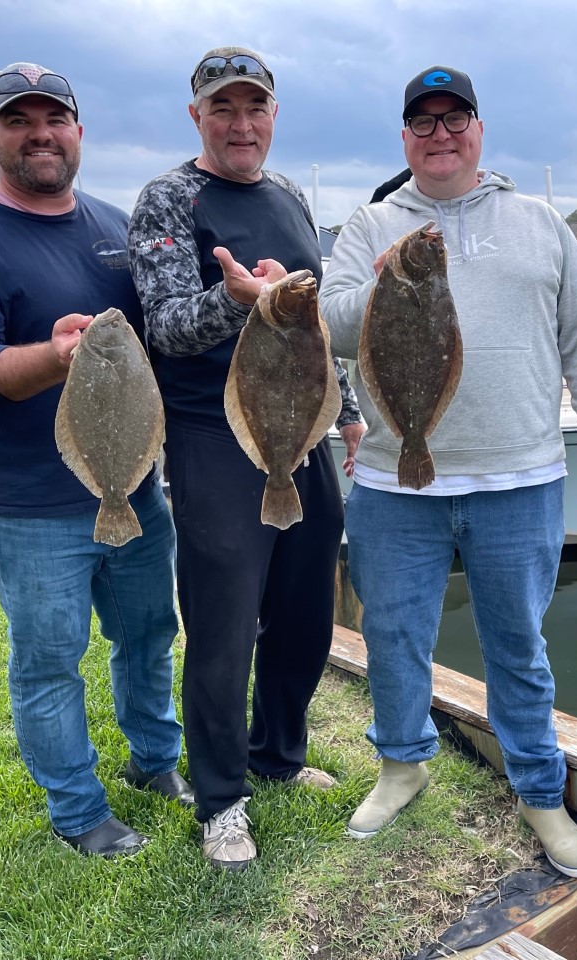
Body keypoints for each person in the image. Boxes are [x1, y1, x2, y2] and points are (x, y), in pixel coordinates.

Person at [320, 66, 577, 878]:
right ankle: (402, 764)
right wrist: (385, 277)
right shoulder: (370, 223)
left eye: (454, 117)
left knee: (518, 645)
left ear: (479, 130)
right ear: (405, 141)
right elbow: (331, 330)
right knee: (391, 637)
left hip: (519, 481)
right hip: (394, 481)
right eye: (422, 122)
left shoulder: (538, 222)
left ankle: (539, 790)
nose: (440, 133)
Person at [0, 62, 191, 860]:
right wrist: (54, 356)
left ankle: (155, 765)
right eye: (20, 121)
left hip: (132, 487)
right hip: (28, 502)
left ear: (78, 128)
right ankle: (78, 812)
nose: (41, 135)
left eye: (55, 118)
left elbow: (160, 343)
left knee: (149, 635)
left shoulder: (111, 225)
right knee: (49, 661)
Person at [127, 45, 365, 871]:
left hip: (303, 431)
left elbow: (315, 322)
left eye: (254, 107)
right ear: (196, 115)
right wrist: (234, 299)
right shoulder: (169, 198)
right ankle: (222, 798)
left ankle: (279, 754)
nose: (240, 123)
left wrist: (353, 410)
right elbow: (162, 327)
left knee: (305, 610)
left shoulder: (292, 195)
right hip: (214, 440)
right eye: (222, 108)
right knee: (225, 628)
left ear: (273, 114)